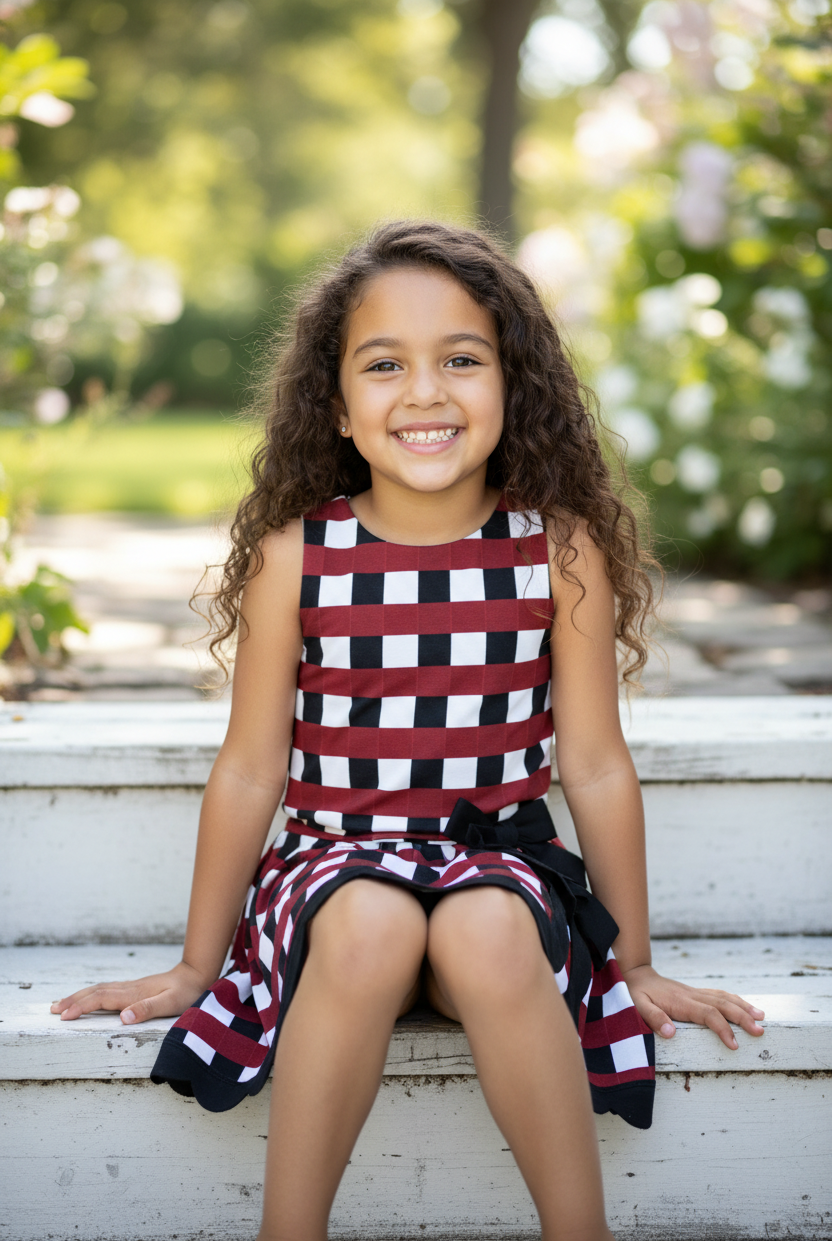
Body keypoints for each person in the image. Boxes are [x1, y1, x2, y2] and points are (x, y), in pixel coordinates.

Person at [52, 220, 765, 1241]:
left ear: (511, 386)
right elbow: (253, 767)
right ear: (337, 406)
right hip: (333, 868)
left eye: (461, 360)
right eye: (384, 364)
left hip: (497, 864)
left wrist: (635, 959)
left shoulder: (554, 553)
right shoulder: (296, 556)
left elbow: (595, 763)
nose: (424, 392)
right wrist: (198, 964)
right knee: (374, 919)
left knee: (481, 921)